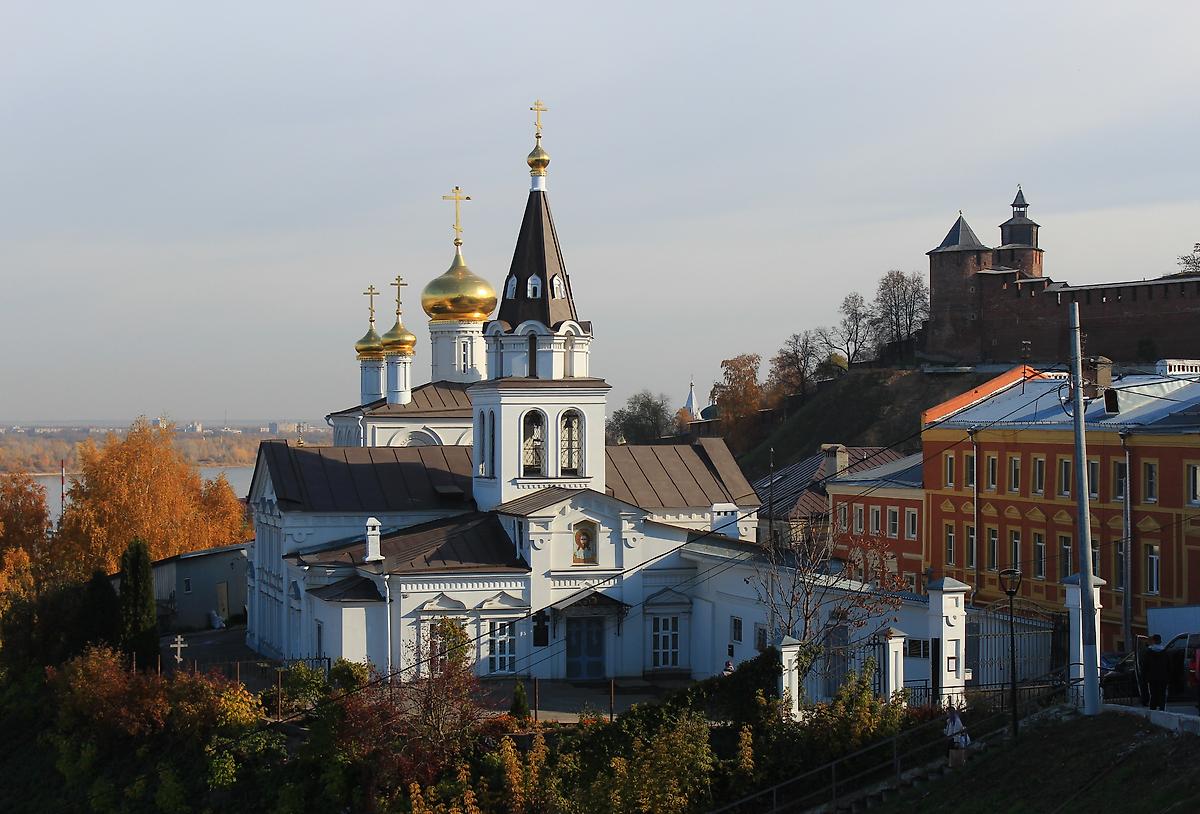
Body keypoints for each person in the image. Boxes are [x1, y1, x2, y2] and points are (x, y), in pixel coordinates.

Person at [1145, 634, 1169, 711]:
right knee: (1162, 695)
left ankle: (1153, 711)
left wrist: (1146, 677)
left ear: (1154, 641)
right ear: (1160, 641)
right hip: (1163, 677)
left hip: (1152, 678)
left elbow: (1145, 666)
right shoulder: (1165, 652)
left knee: (1153, 695)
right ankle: (1162, 710)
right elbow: (1169, 666)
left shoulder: (1148, 652)